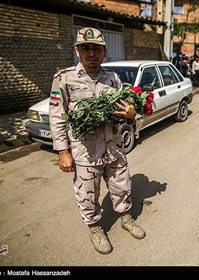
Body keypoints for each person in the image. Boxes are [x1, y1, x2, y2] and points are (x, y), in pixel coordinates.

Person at [49, 27, 145, 255]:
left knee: (122, 186)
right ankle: (95, 227)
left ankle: (125, 217)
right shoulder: (64, 78)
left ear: (104, 52)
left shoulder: (113, 79)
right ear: (77, 51)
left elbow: (125, 114)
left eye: (96, 48)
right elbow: (56, 116)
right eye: (86, 48)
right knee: (88, 193)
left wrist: (132, 117)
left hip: (114, 148)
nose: (91, 53)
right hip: (85, 151)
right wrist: (63, 151)